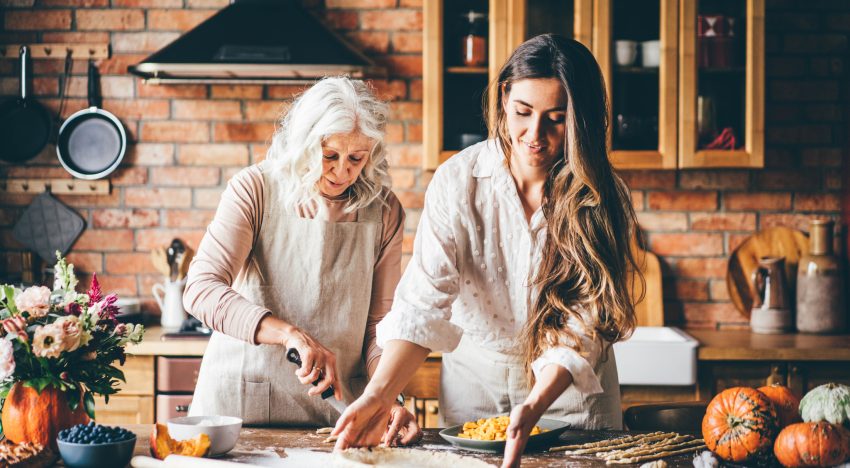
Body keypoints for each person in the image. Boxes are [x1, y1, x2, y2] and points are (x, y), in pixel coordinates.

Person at [331, 34, 642, 466]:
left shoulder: (602, 195)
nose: (535, 135)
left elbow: (581, 324)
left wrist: (534, 406)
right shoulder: (457, 181)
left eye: (556, 118)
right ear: (503, 99)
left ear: (582, 120)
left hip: (568, 390)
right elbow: (423, 305)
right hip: (474, 385)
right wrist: (378, 396)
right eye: (523, 112)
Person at [183, 77, 420, 443]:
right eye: (329, 156)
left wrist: (386, 396)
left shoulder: (385, 211)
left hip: (337, 414)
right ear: (303, 146)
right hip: (242, 410)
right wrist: (290, 335)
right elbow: (200, 289)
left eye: (357, 158)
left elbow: (379, 328)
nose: (343, 172)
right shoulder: (255, 190)